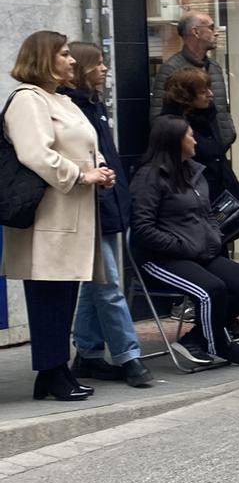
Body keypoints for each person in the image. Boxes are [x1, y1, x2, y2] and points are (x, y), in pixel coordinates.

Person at [5, 31, 114, 401]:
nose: (71, 60)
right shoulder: (27, 100)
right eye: (64, 54)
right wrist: (82, 175)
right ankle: (51, 373)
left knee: (64, 294)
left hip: (73, 211)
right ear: (43, 59)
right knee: (49, 297)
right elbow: (35, 153)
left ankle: (55, 373)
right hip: (48, 215)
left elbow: (83, 144)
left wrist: (100, 168)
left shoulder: (60, 99)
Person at [130, 116, 239, 368]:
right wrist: (181, 246)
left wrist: (212, 237)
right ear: (175, 142)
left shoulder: (194, 172)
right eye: (190, 135)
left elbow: (207, 213)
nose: (195, 140)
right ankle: (219, 345)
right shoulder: (149, 177)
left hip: (198, 251)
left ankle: (196, 338)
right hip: (161, 257)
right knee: (212, 290)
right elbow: (142, 229)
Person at [64, 42, 153, 388]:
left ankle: (87, 354)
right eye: (98, 63)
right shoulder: (76, 108)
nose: (104, 69)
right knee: (108, 283)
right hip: (91, 205)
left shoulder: (93, 105)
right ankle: (129, 356)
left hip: (106, 202)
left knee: (96, 283)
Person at [150, 10, 235, 149]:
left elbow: (222, 108)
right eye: (211, 28)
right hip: (189, 154)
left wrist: (229, 133)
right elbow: (159, 117)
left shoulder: (214, 67)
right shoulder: (171, 68)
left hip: (218, 150)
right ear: (195, 32)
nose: (216, 33)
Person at [160, 68, 239, 206]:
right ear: (186, 96)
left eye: (209, 89)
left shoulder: (208, 115)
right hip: (197, 200)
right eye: (203, 92)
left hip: (223, 196)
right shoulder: (173, 126)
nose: (210, 94)